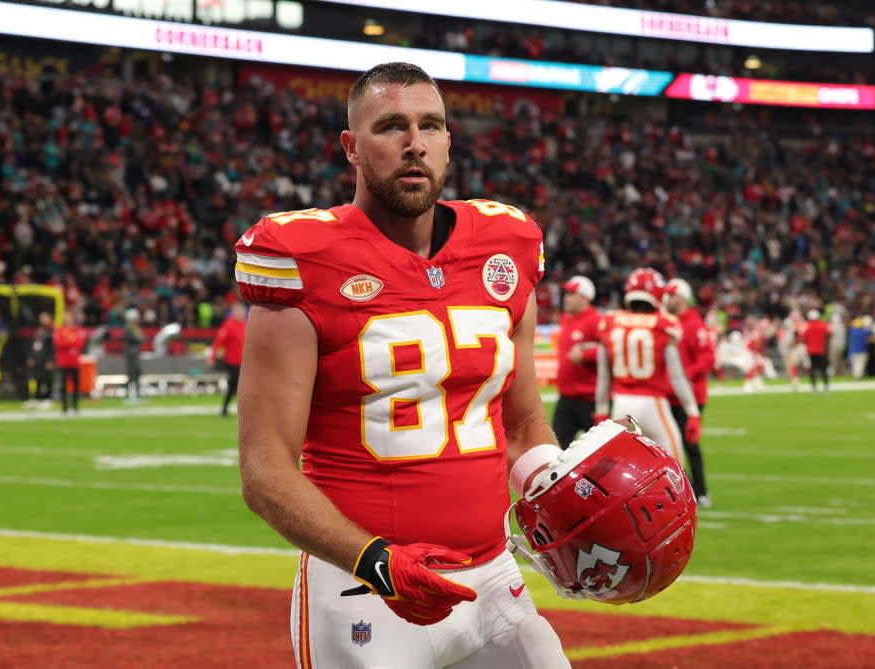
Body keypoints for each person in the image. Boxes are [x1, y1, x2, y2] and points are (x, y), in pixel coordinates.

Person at [235, 62, 570, 668]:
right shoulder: (301, 256)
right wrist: (379, 561)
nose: (414, 143)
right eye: (391, 126)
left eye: (430, 125)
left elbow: (522, 427)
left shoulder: (508, 243)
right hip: (363, 591)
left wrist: (566, 496)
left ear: (448, 142)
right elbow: (265, 470)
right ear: (352, 149)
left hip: (494, 577)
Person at [595, 268, 700, 464]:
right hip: (653, 403)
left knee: (626, 471)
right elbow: (677, 377)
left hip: (620, 405)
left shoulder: (610, 321)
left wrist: (601, 411)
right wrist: (692, 412)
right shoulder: (663, 324)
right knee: (675, 468)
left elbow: (603, 376)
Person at [663, 278, 716, 508]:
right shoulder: (668, 321)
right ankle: (679, 489)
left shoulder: (693, 324)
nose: (667, 299)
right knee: (667, 445)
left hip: (689, 397)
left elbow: (707, 358)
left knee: (689, 444)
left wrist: (686, 376)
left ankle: (701, 490)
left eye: (671, 295)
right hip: (668, 395)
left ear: (682, 298)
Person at [551, 275, 601, 449]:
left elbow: (609, 350)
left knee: (598, 452)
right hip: (566, 397)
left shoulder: (596, 320)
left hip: (590, 399)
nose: (567, 298)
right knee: (556, 449)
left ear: (585, 297)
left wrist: (586, 355)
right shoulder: (566, 318)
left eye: (572, 294)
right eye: (567, 293)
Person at [209, 302, 246, 417]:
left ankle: (228, 410)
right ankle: (225, 409)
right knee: (234, 385)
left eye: (242, 312)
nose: (240, 314)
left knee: (239, 386)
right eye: (238, 311)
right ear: (233, 313)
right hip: (232, 361)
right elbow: (218, 342)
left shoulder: (246, 325)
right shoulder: (228, 325)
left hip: (244, 362)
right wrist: (213, 356)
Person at [53, 310, 86, 415]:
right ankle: (64, 408)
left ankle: (75, 407)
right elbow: (58, 343)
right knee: (63, 385)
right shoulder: (60, 331)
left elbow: (80, 343)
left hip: (75, 362)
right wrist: (71, 342)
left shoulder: (77, 330)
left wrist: (68, 342)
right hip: (63, 362)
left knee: (76, 385)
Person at [25, 312, 55, 405]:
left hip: (46, 359)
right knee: (36, 378)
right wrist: (31, 357)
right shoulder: (38, 330)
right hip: (37, 358)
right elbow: (33, 345)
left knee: (47, 379)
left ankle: (48, 398)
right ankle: (35, 398)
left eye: (45, 317)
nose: (43, 319)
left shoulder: (51, 331)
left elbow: (52, 347)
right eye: (41, 317)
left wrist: (50, 360)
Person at [803, 309, 831, 394]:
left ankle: (814, 388)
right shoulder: (823, 325)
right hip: (821, 350)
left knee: (812, 369)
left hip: (811, 350)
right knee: (823, 369)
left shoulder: (807, 325)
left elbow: (804, 337)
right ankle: (826, 388)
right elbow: (828, 335)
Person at [123, 308, 144, 402]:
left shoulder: (135, 329)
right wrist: (138, 336)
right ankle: (128, 394)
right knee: (131, 374)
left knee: (137, 373)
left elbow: (142, 338)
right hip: (131, 355)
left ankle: (138, 394)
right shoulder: (128, 330)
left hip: (136, 354)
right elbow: (138, 339)